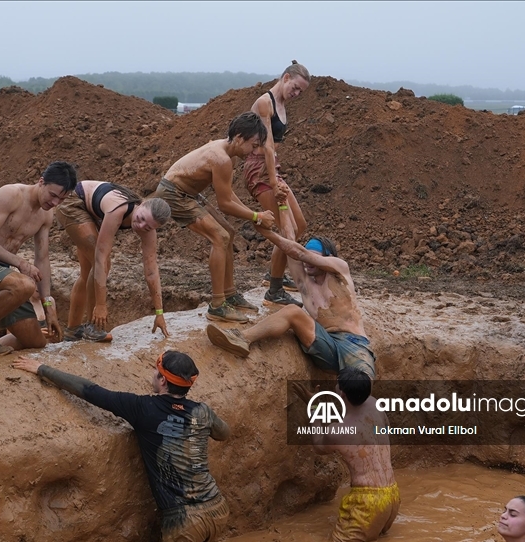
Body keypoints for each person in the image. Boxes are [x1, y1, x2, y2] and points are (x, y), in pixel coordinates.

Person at [11, 350, 231, 542]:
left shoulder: (142, 408)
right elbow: (224, 433)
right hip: (217, 508)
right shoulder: (202, 411)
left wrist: (42, 368)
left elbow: (90, 391)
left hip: (184, 520)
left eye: (155, 371)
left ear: (162, 380)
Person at [154, 112, 276, 323]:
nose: (255, 151)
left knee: (228, 232)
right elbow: (224, 204)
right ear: (239, 138)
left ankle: (230, 294)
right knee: (220, 237)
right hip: (173, 194)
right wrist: (256, 216)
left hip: (187, 192)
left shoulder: (228, 154)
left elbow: (228, 194)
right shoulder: (221, 159)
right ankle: (218, 305)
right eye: (254, 145)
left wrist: (254, 214)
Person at [206, 233, 376, 381]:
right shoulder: (306, 284)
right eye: (306, 256)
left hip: (354, 345)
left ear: (327, 257)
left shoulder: (340, 269)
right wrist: (282, 204)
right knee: (293, 311)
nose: (307, 261)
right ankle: (242, 338)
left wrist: (266, 232)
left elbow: (299, 253)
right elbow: (289, 238)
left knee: (359, 389)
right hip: (326, 345)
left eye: (313, 257)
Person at [0, 161, 75, 356]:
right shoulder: (11, 194)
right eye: (53, 195)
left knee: (35, 341)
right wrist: (20, 263)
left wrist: (48, 305)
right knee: (26, 285)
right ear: (41, 182)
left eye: (61, 200)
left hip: (6, 278)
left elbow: (43, 258)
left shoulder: (46, 215)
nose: (55, 203)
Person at [55, 181, 173, 341]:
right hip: (74, 202)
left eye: (147, 227)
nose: (140, 226)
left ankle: (72, 331)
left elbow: (152, 271)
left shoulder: (148, 228)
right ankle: (93, 327)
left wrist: (159, 313)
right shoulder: (117, 209)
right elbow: (101, 258)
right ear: (142, 204)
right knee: (102, 263)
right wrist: (101, 306)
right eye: (141, 218)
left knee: (87, 273)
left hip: (93, 213)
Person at [296, 369, 398, 542]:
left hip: (367, 502)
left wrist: (314, 406)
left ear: (341, 393)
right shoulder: (376, 405)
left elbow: (319, 446)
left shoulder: (337, 432)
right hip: (393, 495)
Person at [246, 61, 311, 307]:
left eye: (300, 92)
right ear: (285, 77)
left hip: (273, 168)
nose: (296, 94)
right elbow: (267, 145)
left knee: (299, 225)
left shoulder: (282, 104)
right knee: (287, 230)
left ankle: (273, 273)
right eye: (295, 88)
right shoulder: (265, 103)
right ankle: (274, 290)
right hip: (259, 170)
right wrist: (274, 183)